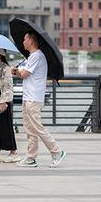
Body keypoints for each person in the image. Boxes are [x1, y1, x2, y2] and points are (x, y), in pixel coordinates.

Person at [13, 31, 67, 168]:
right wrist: (16, 71)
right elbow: (23, 74)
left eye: (25, 39)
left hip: (34, 98)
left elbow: (24, 74)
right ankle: (31, 157)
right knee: (30, 130)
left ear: (31, 40)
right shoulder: (31, 56)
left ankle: (57, 152)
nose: (23, 42)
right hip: (28, 97)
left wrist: (16, 71)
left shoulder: (37, 56)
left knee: (37, 128)